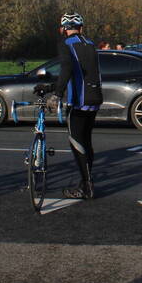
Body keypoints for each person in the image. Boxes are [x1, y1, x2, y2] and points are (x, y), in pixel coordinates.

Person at [40, 13, 102, 199]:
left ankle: (87, 187)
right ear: (81, 28)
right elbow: (82, 72)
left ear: (63, 29)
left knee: (76, 142)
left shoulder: (66, 44)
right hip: (95, 97)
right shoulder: (90, 44)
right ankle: (87, 181)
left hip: (79, 100)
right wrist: (55, 85)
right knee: (87, 141)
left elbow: (67, 68)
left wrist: (56, 94)